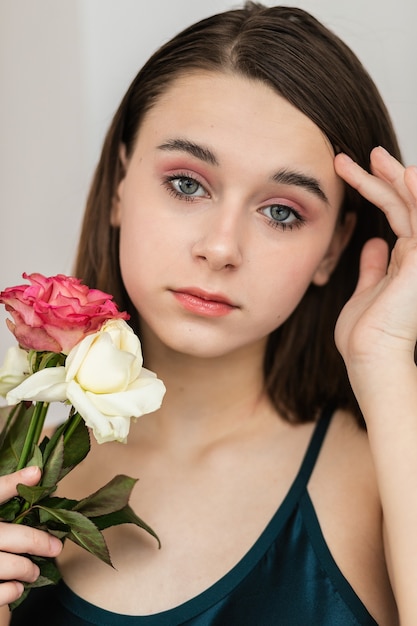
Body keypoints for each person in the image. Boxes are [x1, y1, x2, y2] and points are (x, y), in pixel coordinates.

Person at [1, 2, 416, 623]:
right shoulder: (14, 460)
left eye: (282, 211)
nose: (221, 248)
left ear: (333, 246)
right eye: (188, 184)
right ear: (119, 185)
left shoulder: (386, 474)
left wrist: (384, 359)